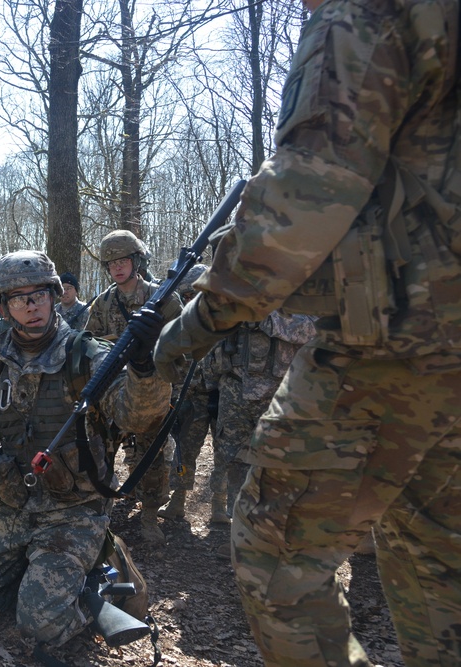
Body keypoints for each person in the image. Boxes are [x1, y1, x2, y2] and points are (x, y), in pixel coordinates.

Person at [153, 2, 461, 664]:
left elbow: (307, 191)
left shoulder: (370, 10)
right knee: (436, 564)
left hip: (403, 344)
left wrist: (199, 319)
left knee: (277, 557)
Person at [0, 250, 169, 651]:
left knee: (40, 627)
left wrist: (143, 367)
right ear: (4, 306)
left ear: (53, 296)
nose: (31, 306)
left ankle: (99, 582)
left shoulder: (89, 357)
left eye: (39, 296)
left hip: (74, 509)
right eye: (19, 298)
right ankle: (49, 577)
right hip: (16, 504)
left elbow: (139, 416)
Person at [85, 229, 182, 542]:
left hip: (153, 390)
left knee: (152, 457)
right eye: (111, 263)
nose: (117, 267)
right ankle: (99, 516)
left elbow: (180, 348)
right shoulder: (100, 304)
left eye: (123, 260)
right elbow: (89, 347)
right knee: (99, 454)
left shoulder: (163, 298)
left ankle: (150, 515)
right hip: (111, 393)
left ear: (137, 260)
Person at [209, 311, 315, 535]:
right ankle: (240, 533)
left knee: (278, 466)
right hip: (234, 388)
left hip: (278, 394)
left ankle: (274, 534)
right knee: (234, 460)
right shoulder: (238, 286)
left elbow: (314, 329)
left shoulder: (300, 290)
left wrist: (267, 319)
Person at [158, 264, 218, 522]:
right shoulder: (181, 323)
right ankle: (178, 500)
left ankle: (220, 505)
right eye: (186, 297)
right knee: (186, 449)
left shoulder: (225, 317)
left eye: (196, 296)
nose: (191, 302)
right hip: (190, 395)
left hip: (221, 393)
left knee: (226, 453)